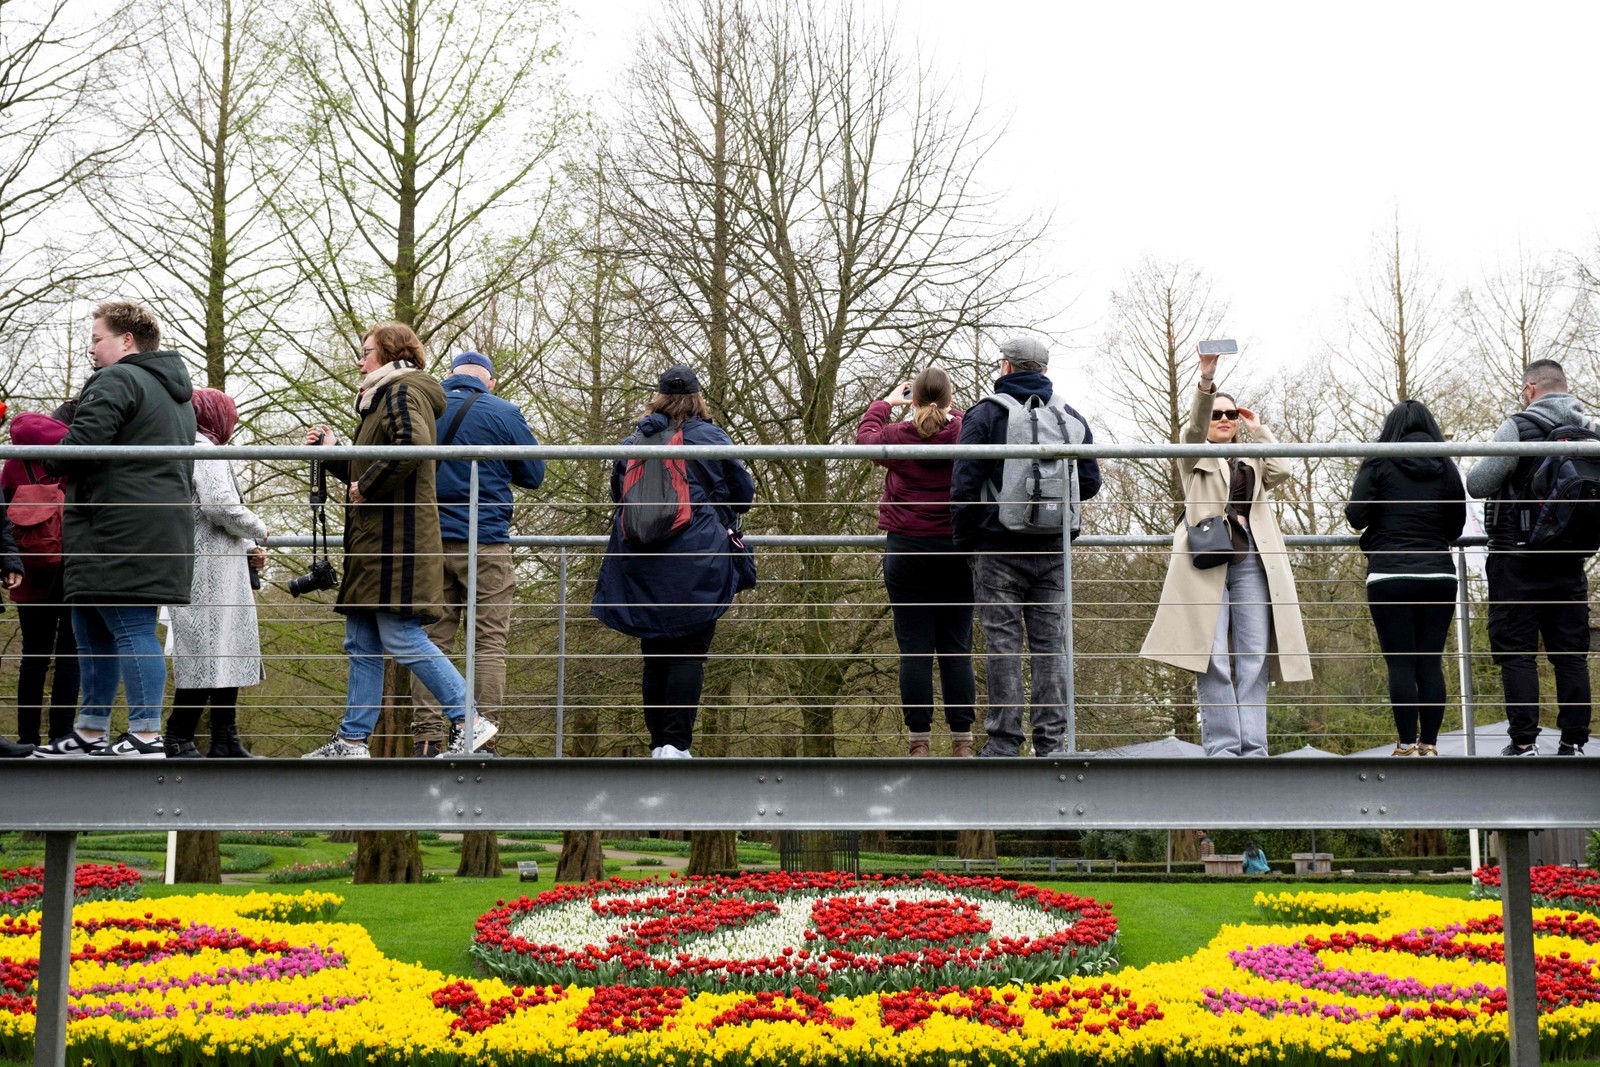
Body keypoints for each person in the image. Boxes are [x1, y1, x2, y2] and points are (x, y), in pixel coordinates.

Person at [302, 322, 494, 759]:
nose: (359, 359)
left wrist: (367, 485)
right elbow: (367, 470)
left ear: (390, 354)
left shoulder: (403, 390)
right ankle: (352, 740)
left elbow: (413, 446)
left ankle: (470, 719)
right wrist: (335, 450)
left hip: (397, 542)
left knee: (402, 636)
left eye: (365, 351)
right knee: (362, 640)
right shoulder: (382, 397)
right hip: (375, 541)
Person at [31, 301, 196, 759]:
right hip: (137, 524)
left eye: (97, 338)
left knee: (129, 624)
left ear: (126, 341)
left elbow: (84, 444)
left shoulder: (119, 378)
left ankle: (144, 734)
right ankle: (89, 732)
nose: (91, 349)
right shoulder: (175, 395)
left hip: (118, 525)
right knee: (91, 625)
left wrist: (45, 455)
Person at [1140, 350, 1311, 757]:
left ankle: (1253, 747)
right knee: (1212, 655)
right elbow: (1193, 428)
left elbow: (1283, 470)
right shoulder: (1194, 454)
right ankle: (1222, 746)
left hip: (1252, 560)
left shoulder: (1251, 456)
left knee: (1253, 656)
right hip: (1206, 560)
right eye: (1218, 414)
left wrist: (1260, 429)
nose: (1223, 420)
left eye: (1230, 415)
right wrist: (1205, 382)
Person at [591, 364, 754, 759]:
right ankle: (675, 745)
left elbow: (619, 495)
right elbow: (742, 493)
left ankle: (657, 744)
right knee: (688, 652)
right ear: (698, 397)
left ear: (659, 397)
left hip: (642, 561)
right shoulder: (710, 437)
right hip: (697, 558)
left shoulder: (635, 441)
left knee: (655, 654)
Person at [950, 337, 1100, 758]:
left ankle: (1003, 744)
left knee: (1002, 645)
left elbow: (963, 483)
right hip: (1053, 550)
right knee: (1051, 645)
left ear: (1007, 367)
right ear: (1044, 371)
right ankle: (1052, 743)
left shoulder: (986, 413)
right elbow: (1089, 483)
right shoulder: (1070, 415)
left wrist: (967, 541)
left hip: (997, 547)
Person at [409, 351, 545, 757]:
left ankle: (429, 739)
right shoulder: (504, 412)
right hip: (484, 541)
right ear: (491, 382)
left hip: (428, 542)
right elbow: (534, 475)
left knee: (430, 641)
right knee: (488, 642)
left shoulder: (423, 408)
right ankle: (479, 736)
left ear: (448, 376)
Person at [1466, 359, 1597, 756]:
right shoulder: (1592, 433)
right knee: (1570, 653)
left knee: (1517, 650)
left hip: (1516, 557)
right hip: (1571, 558)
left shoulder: (1519, 426)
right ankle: (1573, 741)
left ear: (1529, 389)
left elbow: (1479, 482)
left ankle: (1523, 741)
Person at [855, 367, 975, 757]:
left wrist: (886, 403)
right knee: (956, 647)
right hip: (957, 551)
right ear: (950, 400)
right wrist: (956, 414)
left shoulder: (900, 435)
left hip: (907, 551)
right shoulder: (963, 432)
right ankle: (962, 742)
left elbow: (864, 440)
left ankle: (919, 742)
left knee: (915, 649)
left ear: (916, 400)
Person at [1345, 400, 1466, 757]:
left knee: (1400, 662)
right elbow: (1456, 527)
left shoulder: (1379, 460)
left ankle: (1405, 743)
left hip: (1389, 572)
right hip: (1438, 573)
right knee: (1429, 660)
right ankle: (1429, 744)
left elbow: (1357, 516)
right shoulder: (1446, 465)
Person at [164, 389, 269, 759]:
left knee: (224, 650)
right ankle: (178, 735)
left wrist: (248, 549)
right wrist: (259, 528)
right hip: (206, 570)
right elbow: (219, 506)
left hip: (220, 567)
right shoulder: (203, 449)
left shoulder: (200, 447)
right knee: (207, 650)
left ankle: (225, 737)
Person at [2, 408, 74, 757]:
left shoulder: (12, 461)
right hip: (71, 566)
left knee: (34, 657)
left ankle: (26, 739)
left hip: (26, 569)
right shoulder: (72, 455)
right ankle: (63, 736)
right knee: (71, 655)